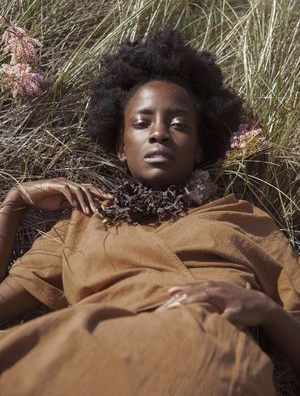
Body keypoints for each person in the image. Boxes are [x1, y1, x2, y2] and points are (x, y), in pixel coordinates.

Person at [0, 29, 299, 396]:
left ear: (200, 146)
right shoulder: (83, 222)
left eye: (178, 124)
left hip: (194, 345)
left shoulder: (243, 219)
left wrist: (266, 311)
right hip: (79, 343)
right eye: (142, 124)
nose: (159, 134)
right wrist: (13, 204)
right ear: (121, 146)